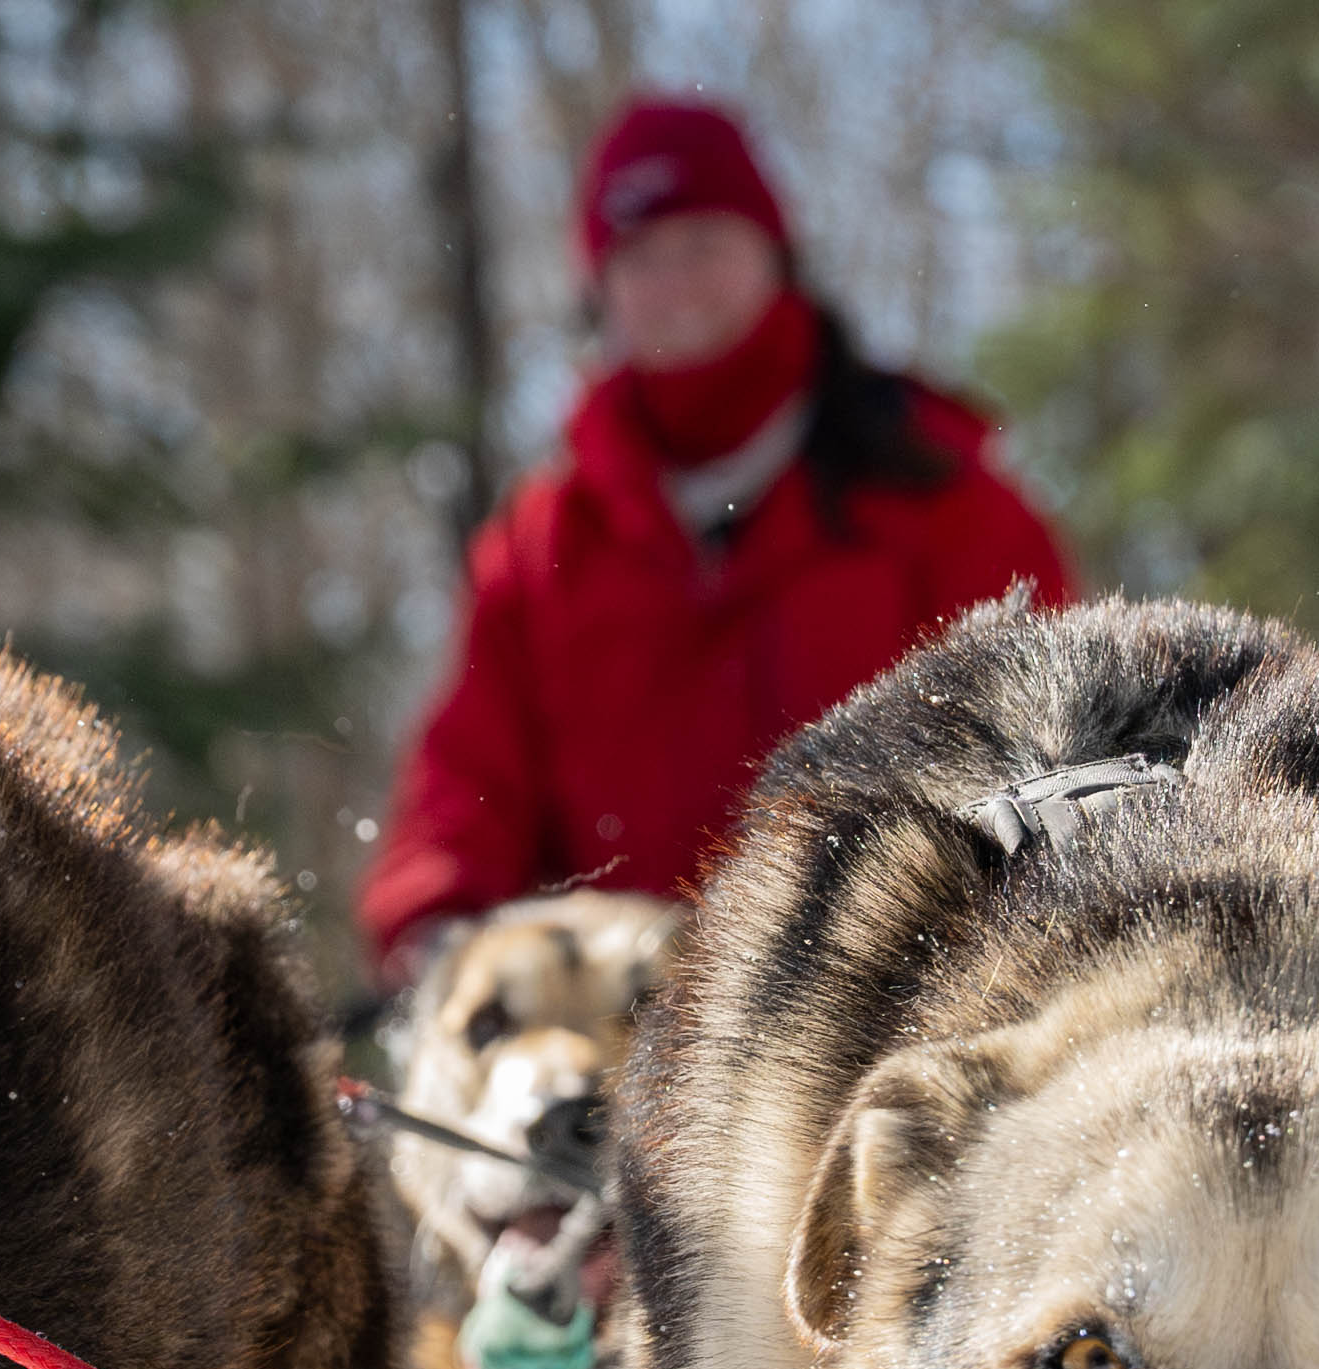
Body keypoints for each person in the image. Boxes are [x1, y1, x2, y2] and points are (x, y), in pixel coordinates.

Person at [358, 95, 1076, 976]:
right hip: (625, 1039)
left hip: (901, 1007)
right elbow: (466, 787)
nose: (676, 285)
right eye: (641, 258)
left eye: (704, 246)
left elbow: (1058, 747)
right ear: (599, 287)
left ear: (774, 255)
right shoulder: (539, 548)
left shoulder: (938, 496)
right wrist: (439, 927)